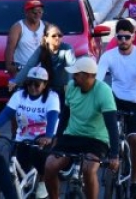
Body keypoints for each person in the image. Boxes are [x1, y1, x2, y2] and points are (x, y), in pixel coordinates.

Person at [43, 56, 120, 199]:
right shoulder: (71, 86)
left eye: (77, 74)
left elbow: (112, 125)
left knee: (88, 170)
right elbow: (65, 115)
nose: (73, 77)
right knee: (49, 165)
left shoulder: (104, 91)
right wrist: (57, 137)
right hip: (72, 136)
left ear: (89, 76)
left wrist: (114, 155)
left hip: (96, 139)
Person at [97, 19, 136, 196]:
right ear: (116, 37)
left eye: (127, 37)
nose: (123, 41)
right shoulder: (108, 56)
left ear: (133, 37)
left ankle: (134, 180)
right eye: (120, 37)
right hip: (115, 100)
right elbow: (98, 81)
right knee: (105, 136)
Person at [0, 66, 59, 199]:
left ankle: (43, 181)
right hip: (23, 137)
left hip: (44, 137)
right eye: (29, 83)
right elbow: (6, 113)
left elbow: (53, 117)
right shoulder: (19, 95)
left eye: (37, 84)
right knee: (15, 165)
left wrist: (48, 136)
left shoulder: (52, 97)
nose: (32, 87)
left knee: (43, 161)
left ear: (45, 85)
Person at [10, 23, 76, 104]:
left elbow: (71, 67)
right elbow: (29, 66)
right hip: (46, 88)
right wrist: (16, 82)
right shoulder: (41, 49)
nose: (57, 38)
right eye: (54, 36)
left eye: (60, 35)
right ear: (46, 38)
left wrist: (69, 85)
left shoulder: (67, 48)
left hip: (63, 89)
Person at [4, 0, 46, 77]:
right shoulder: (18, 27)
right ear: (26, 13)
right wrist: (9, 67)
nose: (37, 15)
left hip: (41, 70)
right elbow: (10, 48)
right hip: (22, 69)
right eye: (34, 12)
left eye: (40, 12)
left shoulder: (46, 26)